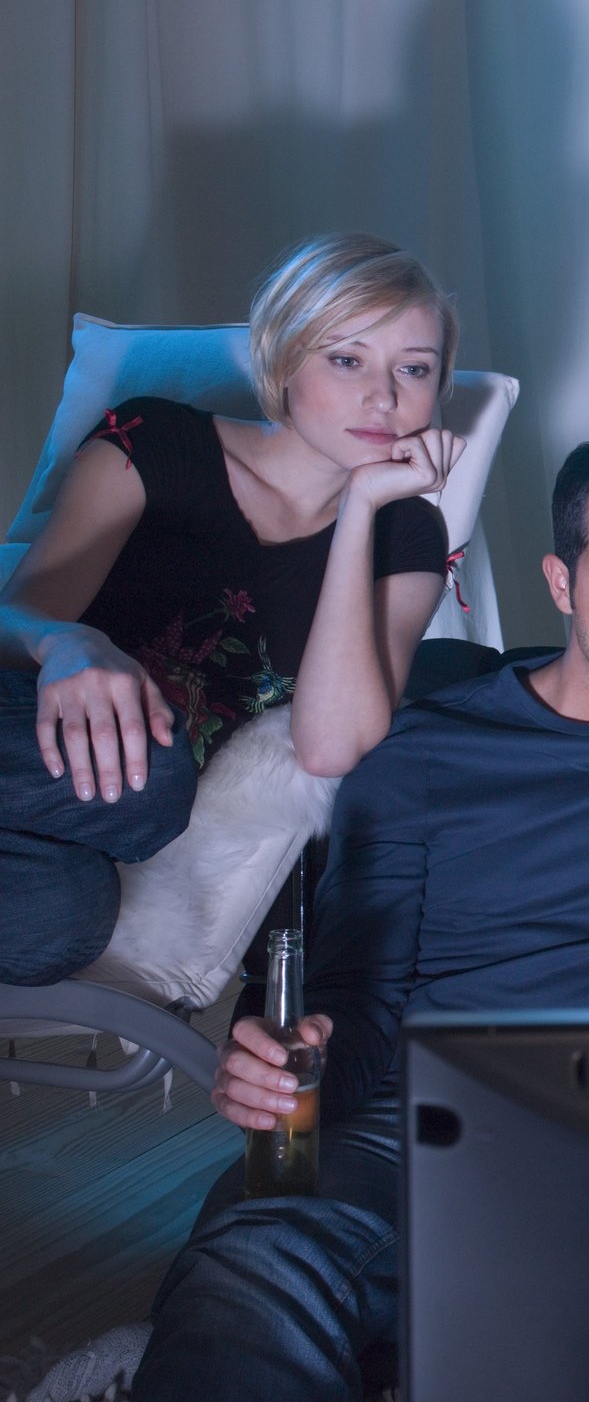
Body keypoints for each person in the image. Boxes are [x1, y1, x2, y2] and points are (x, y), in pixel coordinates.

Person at [113, 428, 589, 1402]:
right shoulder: (422, 754)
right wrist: (295, 1059)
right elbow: (359, 995)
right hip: (426, 1121)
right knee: (253, 1256)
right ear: (561, 581)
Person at [0, 231, 461, 987]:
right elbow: (16, 618)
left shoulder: (406, 534)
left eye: (413, 370)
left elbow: (329, 749)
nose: (383, 396)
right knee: (153, 767)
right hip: (43, 743)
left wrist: (363, 509)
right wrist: (67, 645)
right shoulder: (156, 442)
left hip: (88, 831)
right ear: (284, 361)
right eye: (346, 360)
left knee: (67, 914)